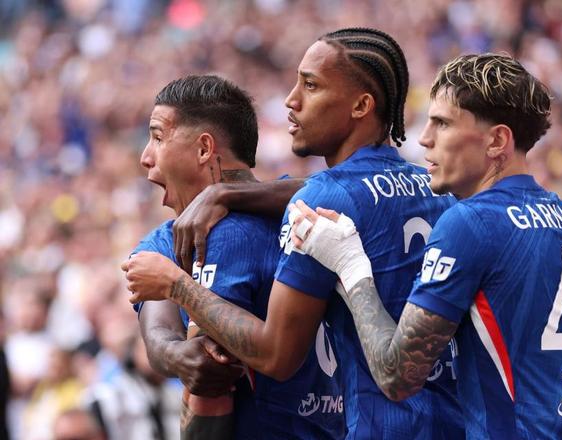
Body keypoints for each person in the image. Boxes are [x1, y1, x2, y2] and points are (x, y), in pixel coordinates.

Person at [123, 28, 464, 439]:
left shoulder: (314, 202)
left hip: (383, 425)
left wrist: (178, 286)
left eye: (311, 85)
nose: (291, 100)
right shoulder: (438, 191)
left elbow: (274, 356)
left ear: (361, 105)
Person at [289, 53, 562, 439]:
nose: (424, 138)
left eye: (442, 123)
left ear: (496, 140)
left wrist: (350, 264)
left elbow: (396, 376)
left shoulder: (471, 222)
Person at [124, 75, 344, 439]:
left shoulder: (222, 236)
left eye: (158, 138)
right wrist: (177, 354)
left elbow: (210, 395)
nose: (145, 157)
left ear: (204, 149)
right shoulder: (307, 208)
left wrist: (223, 195)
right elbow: (158, 333)